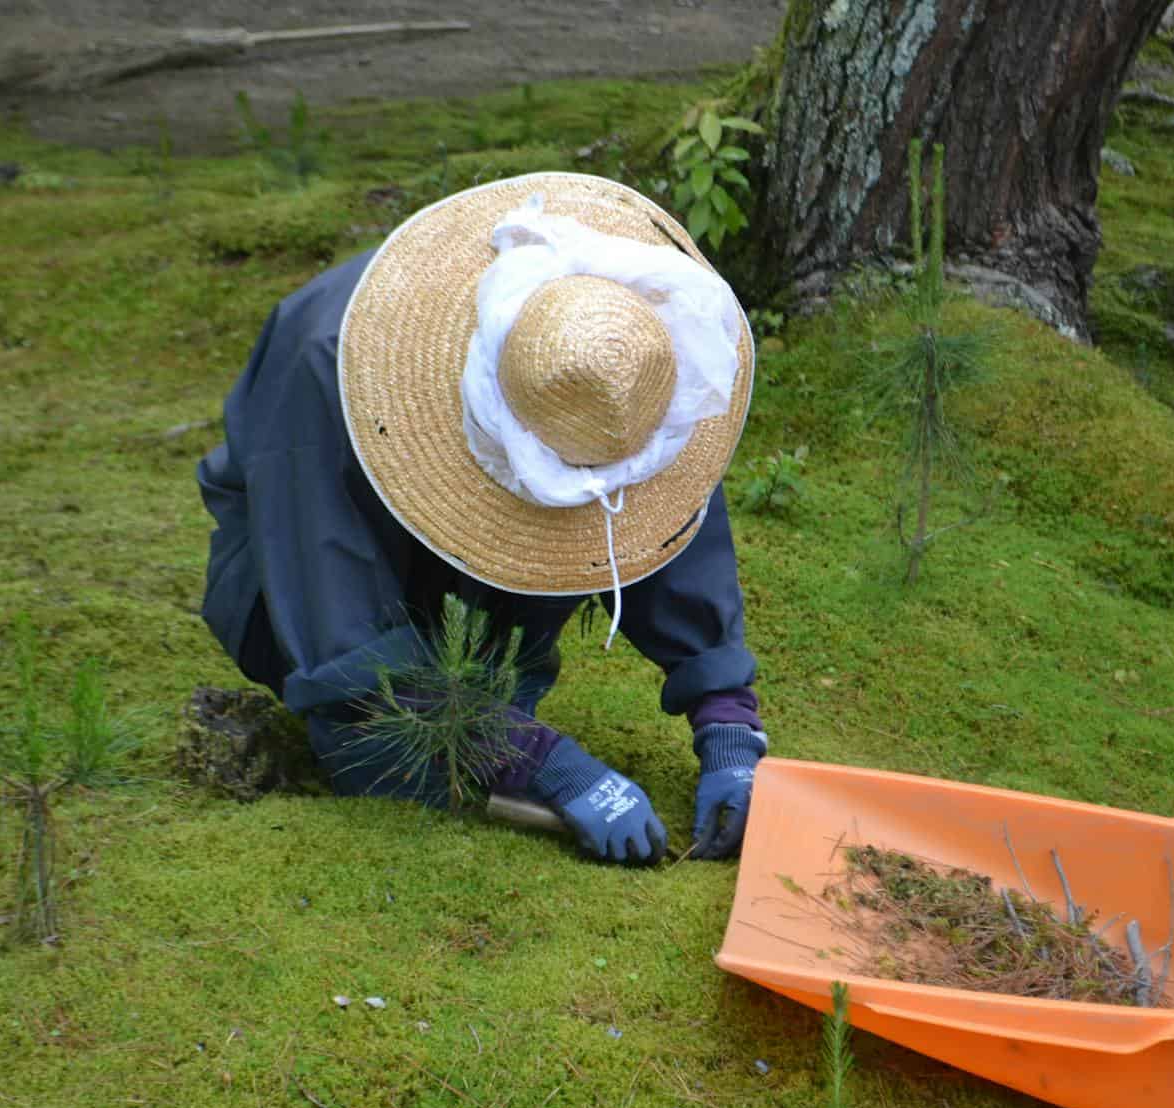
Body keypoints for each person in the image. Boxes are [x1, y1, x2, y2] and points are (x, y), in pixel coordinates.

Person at [196, 172, 767, 865]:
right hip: (297, 563)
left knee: (502, 677)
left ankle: (492, 710)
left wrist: (728, 722)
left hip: (451, 585)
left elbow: (656, 504)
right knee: (379, 749)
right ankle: (479, 733)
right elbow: (338, 628)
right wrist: (546, 763)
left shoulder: (617, 329)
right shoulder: (327, 366)